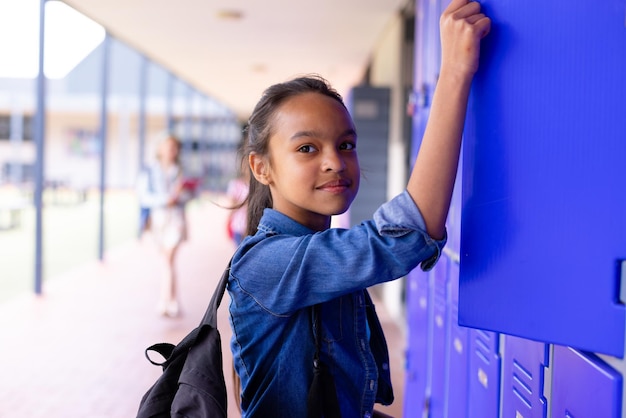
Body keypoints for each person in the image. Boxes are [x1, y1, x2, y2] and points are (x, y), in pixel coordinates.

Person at [226, 0, 490, 416]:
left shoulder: (318, 253)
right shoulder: (267, 263)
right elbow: (404, 234)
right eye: (307, 148)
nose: (334, 161)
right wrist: (455, 73)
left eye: (345, 145)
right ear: (262, 168)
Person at [137, 134, 194, 318]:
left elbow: (192, 194)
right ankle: (173, 300)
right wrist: (166, 199)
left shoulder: (181, 171)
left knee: (169, 258)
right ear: (160, 149)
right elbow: (144, 196)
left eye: (175, 147)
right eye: (169, 146)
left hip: (176, 218)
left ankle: (165, 301)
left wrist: (180, 195)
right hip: (159, 219)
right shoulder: (149, 171)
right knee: (167, 262)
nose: (172, 151)